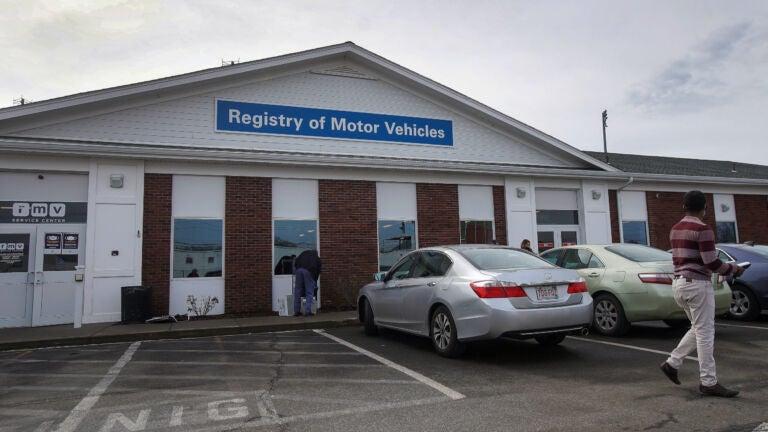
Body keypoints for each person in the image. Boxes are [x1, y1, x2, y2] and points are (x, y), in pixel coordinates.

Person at [660, 190, 745, 397]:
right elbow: (711, 262)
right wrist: (734, 269)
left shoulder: (675, 228)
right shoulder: (703, 229)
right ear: (704, 208)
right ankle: (708, 382)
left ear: (684, 207)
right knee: (706, 334)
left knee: (698, 328)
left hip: (679, 284)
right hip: (697, 284)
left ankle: (672, 363)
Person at [292, 249, 322, 316]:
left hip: (299, 270)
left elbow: (295, 262)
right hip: (308, 271)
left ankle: (296, 311)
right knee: (309, 291)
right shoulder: (316, 258)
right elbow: (318, 271)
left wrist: (297, 269)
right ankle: (308, 311)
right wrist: (314, 280)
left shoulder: (304, 253)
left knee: (297, 291)